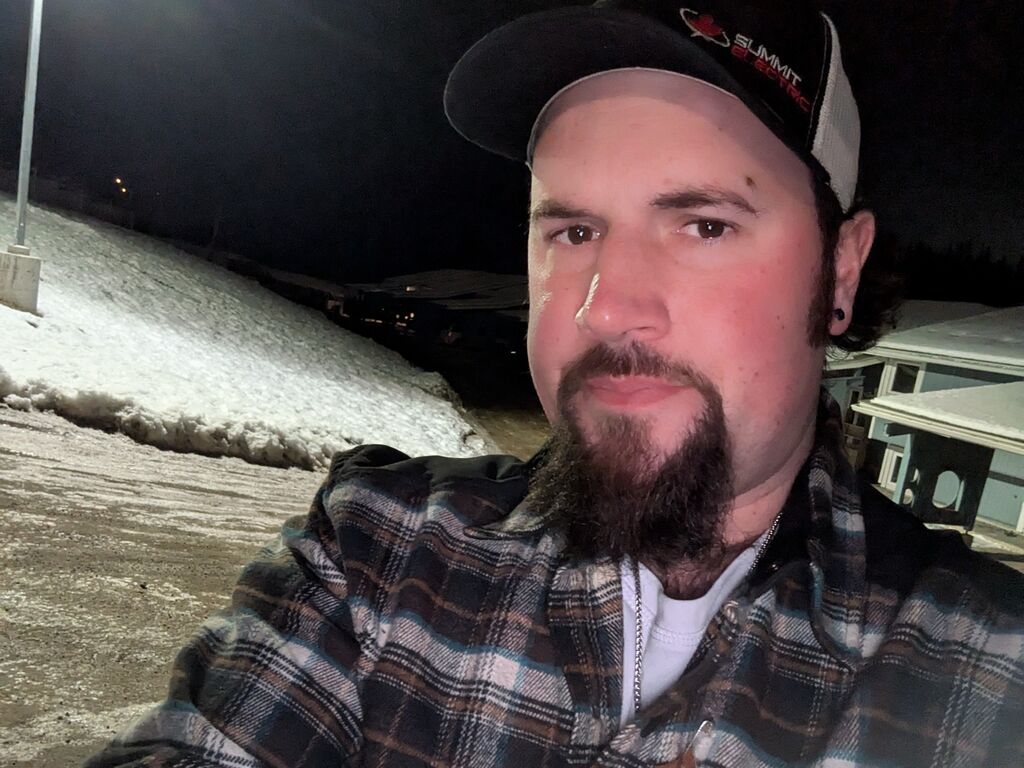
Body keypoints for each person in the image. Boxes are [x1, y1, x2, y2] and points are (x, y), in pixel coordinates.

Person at [88, 1, 1023, 766]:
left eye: (704, 225)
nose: (605, 309)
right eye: (573, 232)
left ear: (841, 270)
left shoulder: (986, 668)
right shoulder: (377, 554)